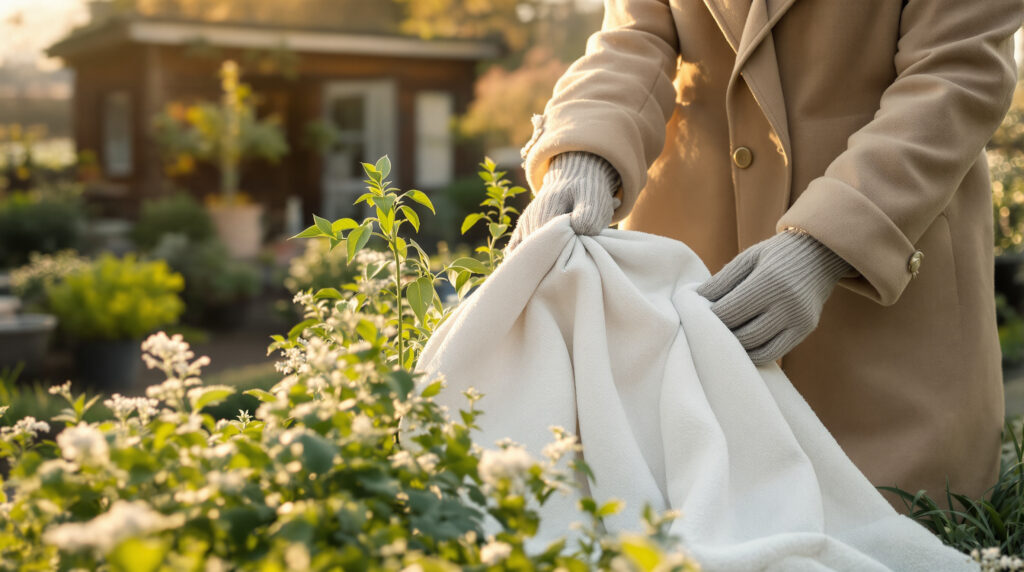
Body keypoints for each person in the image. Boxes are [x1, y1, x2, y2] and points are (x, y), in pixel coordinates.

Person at [510, 0, 1022, 507]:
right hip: (695, 264)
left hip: (883, 308)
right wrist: (582, 153)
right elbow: (631, 38)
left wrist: (827, 243)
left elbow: (956, 72)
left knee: (884, 523)